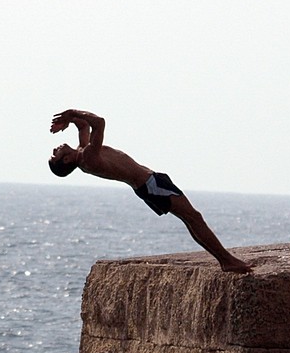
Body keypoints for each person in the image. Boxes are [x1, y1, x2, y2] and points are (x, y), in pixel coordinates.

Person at [48, 109, 252, 274]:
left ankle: (225, 260)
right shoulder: (88, 158)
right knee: (193, 217)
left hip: (149, 184)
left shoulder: (83, 151)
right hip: (151, 185)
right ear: (66, 160)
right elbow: (99, 122)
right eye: (55, 154)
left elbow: (84, 125)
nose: (55, 149)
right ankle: (226, 261)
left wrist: (69, 119)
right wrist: (71, 112)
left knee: (190, 218)